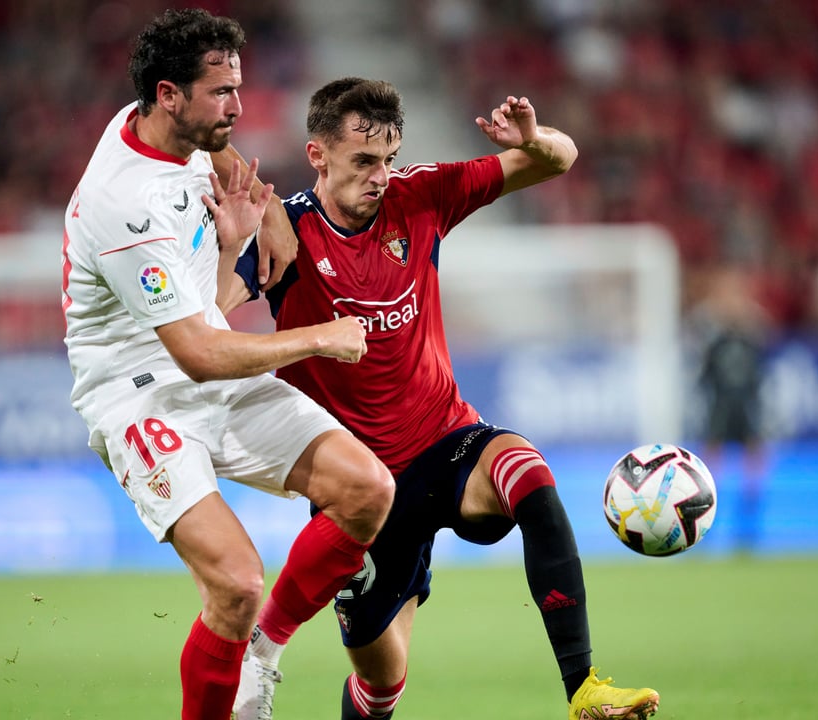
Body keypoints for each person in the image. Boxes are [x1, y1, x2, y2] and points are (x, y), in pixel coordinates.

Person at [238, 78, 659, 720]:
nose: (381, 177)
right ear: (317, 154)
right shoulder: (285, 234)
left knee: (529, 475)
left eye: (388, 159)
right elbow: (207, 321)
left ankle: (583, 688)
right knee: (382, 687)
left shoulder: (422, 194)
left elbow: (561, 157)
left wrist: (533, 141)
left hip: (446, 441)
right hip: (359, 488)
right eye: (363, 161)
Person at [60, 11, 393, 720]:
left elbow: (216, 159)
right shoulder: (124, 206)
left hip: (199, 355)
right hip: (138, 397)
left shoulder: (160, 126)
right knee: (237, 583)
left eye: (237, 87)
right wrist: (319, 337)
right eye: (221, 93)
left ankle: (260, 657)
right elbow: (200, 356)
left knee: (366, 489)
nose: (238, 107)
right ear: (169, 94)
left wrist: (260, 219)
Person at [692, 267, 770, 552]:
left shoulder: (752, 334)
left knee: (755, 461)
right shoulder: (713, 337)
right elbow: (703, 378)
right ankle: (702, 521)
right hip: (721, 407)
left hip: (746, 407)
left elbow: (761, 372)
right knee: (711, 465)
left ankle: (747, 524)